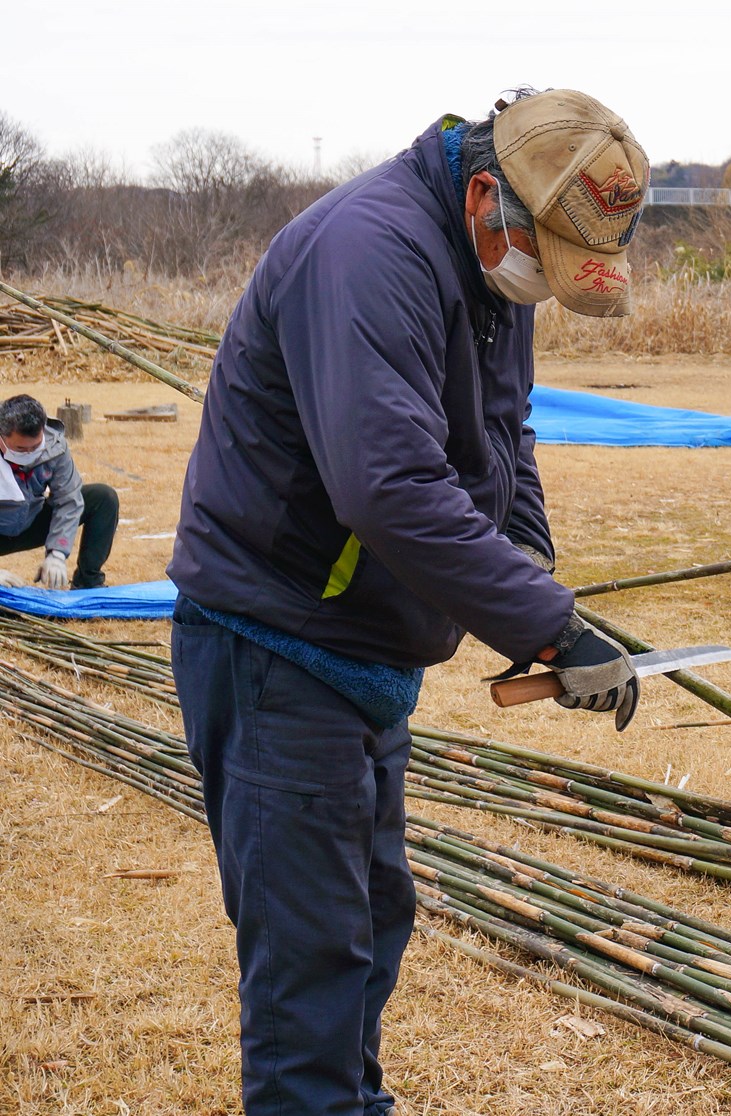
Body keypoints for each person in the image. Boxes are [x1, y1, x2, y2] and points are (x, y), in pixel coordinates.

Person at [167, 89, 648, 1116]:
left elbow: (504, 433)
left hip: (369, 650)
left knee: (373, 926)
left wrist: (531, 566)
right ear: (488, 194)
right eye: (541, 262)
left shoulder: (487, 268)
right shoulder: (369, 254)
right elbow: (387, 485)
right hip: (278, 641)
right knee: (312, 968)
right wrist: (548, 625)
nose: (538, 291)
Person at [0, 394, 118, 590]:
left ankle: (88, 582)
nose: (30, 454)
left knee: (102, 497)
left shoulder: (54, 445)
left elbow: (68, 500)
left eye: (35, 447)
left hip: (29, 518)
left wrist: (57, 553)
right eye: (21, 449)